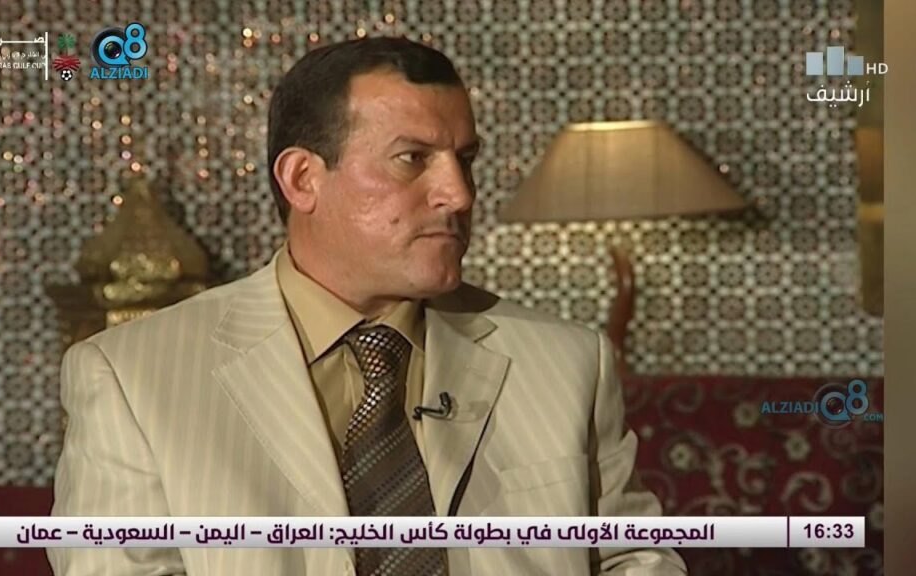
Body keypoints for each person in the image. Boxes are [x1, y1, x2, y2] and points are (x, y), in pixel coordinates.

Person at [48, 36, 687, 575]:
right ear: (302, 179)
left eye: (465, 160)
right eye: (413, 159)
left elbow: (637, 561)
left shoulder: (568, 362)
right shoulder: (130, 378)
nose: (458, 194)